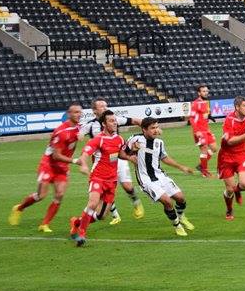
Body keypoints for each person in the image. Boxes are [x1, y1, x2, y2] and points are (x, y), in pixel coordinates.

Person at [8, 102, 83, 233]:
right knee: (41, 195)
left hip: (62, 167)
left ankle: (44, 224)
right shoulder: (61, 132)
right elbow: (56, 156)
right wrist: (76, 160)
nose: (78, 114)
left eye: (80, 112)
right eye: (75, 112)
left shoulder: (80, 128)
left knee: (59, 194)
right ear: (68, 114)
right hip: (48, 164)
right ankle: (19, 208)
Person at [124, 118, 196, 236]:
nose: (156, 130)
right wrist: (131, 152)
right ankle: (177, 225)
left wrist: (181, 167)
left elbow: (164, 158)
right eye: (152, 128)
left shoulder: (159, 143)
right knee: (167, 201)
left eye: (157, 127)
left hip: (160, 176)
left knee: (181, 198)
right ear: (144, 129)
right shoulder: (134, 139)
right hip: (146, 179)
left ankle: (181, 216)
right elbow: (123, 152)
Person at [80, 97, 144, 224]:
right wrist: (79, 135)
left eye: (106, 105)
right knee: (103, 192)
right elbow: (80, 131)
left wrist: (146, 126)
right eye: (101, 106)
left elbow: (135, 120)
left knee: (127, 186)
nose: (105, 107)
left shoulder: (115, 119)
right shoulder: (91, 125)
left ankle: (136, 203)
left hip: (117, 156)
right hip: (102, 161)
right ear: (94, 111)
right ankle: (115, 215)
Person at [69, 110, 125, 247]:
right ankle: (81, 234)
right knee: (92, 203)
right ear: (104, 124)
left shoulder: (119, 139)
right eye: (111, 121)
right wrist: (82, 163)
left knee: (101, 216)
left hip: (112, 181)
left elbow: (121, 154)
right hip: (98, 178)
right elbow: (86, 152)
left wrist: (131, 157)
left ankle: (77, 222)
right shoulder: (98, 139)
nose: (115, 123)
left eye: (115, 120)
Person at [189, 84, 216, 178]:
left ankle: (201, 165)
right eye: (203, 91)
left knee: (214, 148)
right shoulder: (195, 103)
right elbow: (192, 118)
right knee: (204, 149)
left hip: (206, 129)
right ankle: (205, 172)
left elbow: (203, 114)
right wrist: (197, 131)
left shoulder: (205, 102)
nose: (206, 92)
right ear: (199, 93)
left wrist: (209, 117)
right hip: (199, 131)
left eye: (206, 91)